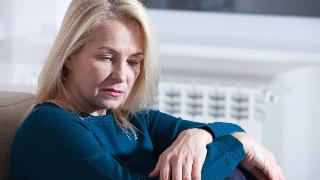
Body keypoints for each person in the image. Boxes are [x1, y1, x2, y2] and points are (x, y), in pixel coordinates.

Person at [9, 0, 284, 179]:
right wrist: (241, 145)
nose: (121, 76)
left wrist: (198, 135)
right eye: (106, 58)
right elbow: (235, 140)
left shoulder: (136, 121)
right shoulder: (48, 126)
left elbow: (227, 130)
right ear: (69, 55)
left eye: (133, 62)